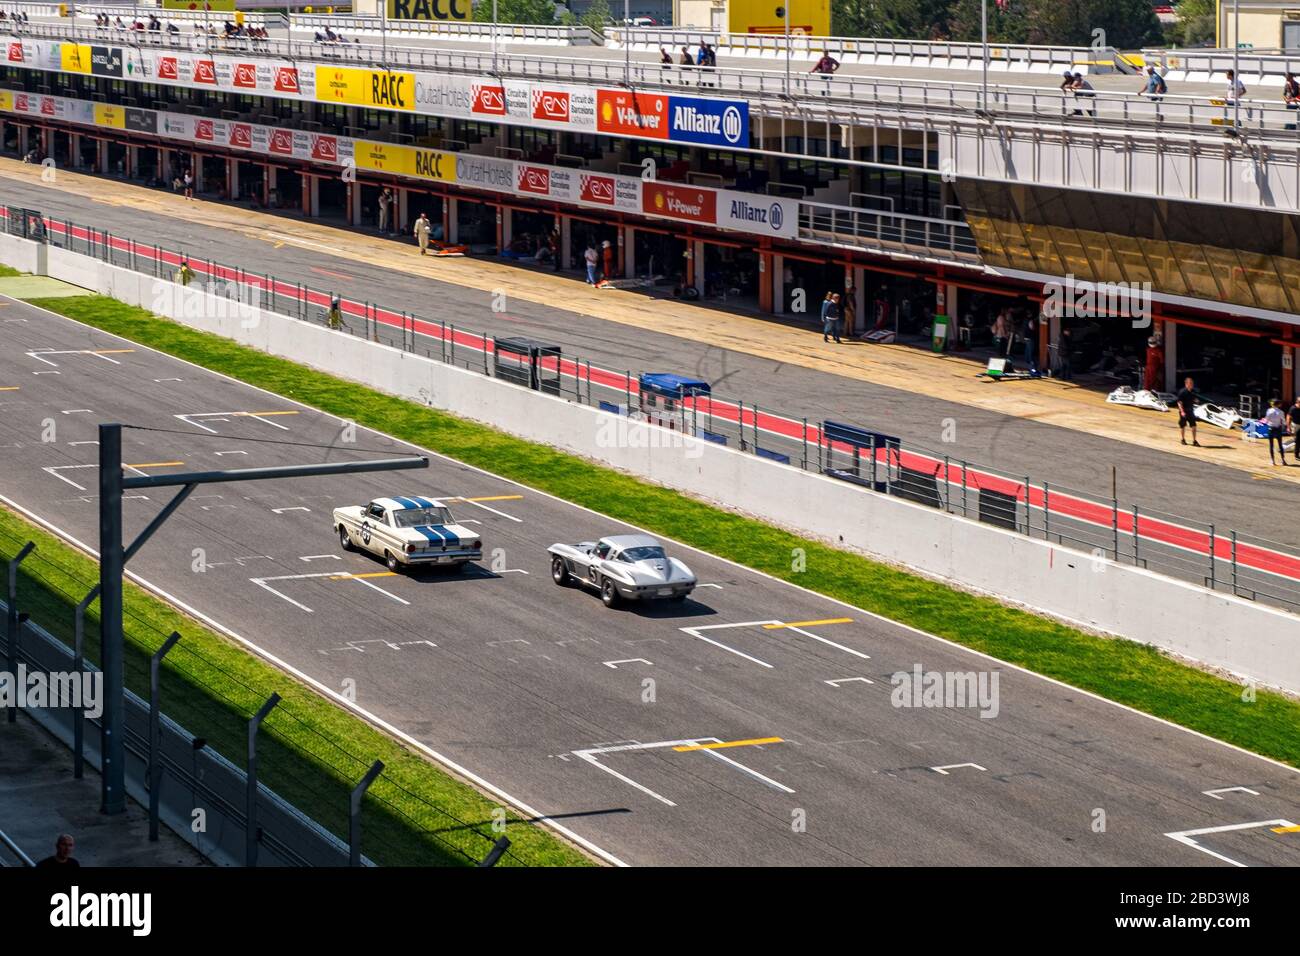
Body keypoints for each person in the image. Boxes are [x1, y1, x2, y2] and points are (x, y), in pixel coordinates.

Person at [1177, 376, 1200, 447]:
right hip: (1184, 411)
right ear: (1186, 384)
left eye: (1192, 383)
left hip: (1190, 411)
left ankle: (1194, 441)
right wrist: (1182, 411)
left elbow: (1194, 399)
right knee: (1183, 426)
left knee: (1194, 426)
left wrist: (1196, 401)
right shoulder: (1182, 392)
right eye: (1190, 383)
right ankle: (1183, 439)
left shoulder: (1193, 391)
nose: (1191, 385)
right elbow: (1179, 403)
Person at [1264, 398, 1288, 465]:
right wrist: (1285, 426)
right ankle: (1283, 460)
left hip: (1271, 428)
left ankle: (1272, 460)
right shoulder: (1281, 412)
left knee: (1271, 445)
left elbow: (1266, 420)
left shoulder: (1269, 411)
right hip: (1278, 429)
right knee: (1280, 445)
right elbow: (1283, 421)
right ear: (1278, 405)